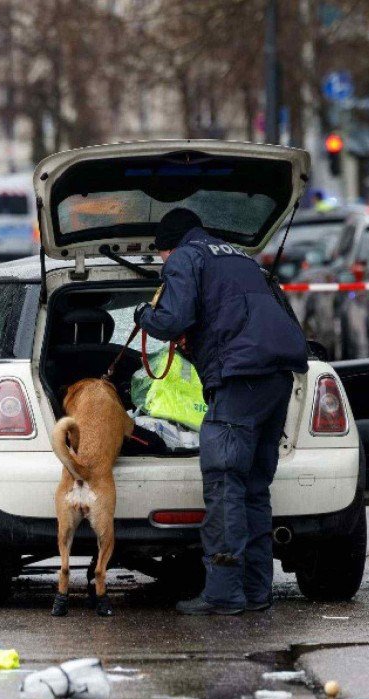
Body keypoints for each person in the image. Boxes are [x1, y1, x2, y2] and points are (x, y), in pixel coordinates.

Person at [134, 208, 308, 615]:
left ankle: (224, 594)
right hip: (278, 377)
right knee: (253, 487)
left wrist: (144, 314)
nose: (164, 264)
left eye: (161, 256)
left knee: (225, 483)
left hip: (239, 379)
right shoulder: (241, 257)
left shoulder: (185, 258)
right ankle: (255, 592)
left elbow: (172, 319)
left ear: (167, 246)